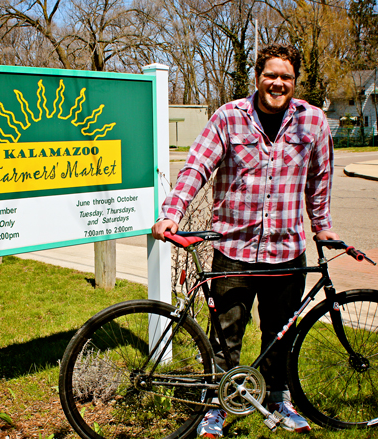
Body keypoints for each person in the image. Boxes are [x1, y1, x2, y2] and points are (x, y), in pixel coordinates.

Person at [151, 44, 339, 437]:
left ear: (295, 82)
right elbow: (197, 165)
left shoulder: (314, 122)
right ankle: (216, 407)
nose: (278, 83)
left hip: (287, 251)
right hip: (233, 250)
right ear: (257, 77)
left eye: (286, 77)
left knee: (279, 334)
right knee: (226, 335)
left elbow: (320, 181)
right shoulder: (229, 117)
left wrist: (321, 225)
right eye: (271, 75)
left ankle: (278, 400)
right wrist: (172, 212)